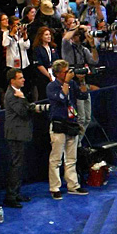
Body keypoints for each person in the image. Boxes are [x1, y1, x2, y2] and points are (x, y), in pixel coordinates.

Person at [46, 60, 87, 199]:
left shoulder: (72, 84)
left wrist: (81, 82)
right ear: (57, 73)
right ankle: (55, 187)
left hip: (71, 123)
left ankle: (73, 185)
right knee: (56, 159)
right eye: (65, 71)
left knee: (71, 158)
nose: (69, 73)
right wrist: (66, 83)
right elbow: (62, 98)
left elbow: (83, 95)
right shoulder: (52, 86)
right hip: (58, 124)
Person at [2, 69, 32, 208]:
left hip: (19, 133)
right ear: (12, 80)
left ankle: (16, 192)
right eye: (20, 78)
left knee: (19, 165)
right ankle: (11, 196)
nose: (23, 80)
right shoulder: (12, 95)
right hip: (15, 134)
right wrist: (23, 98)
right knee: (16, 165)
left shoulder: (16, 93)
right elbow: (23, 111)